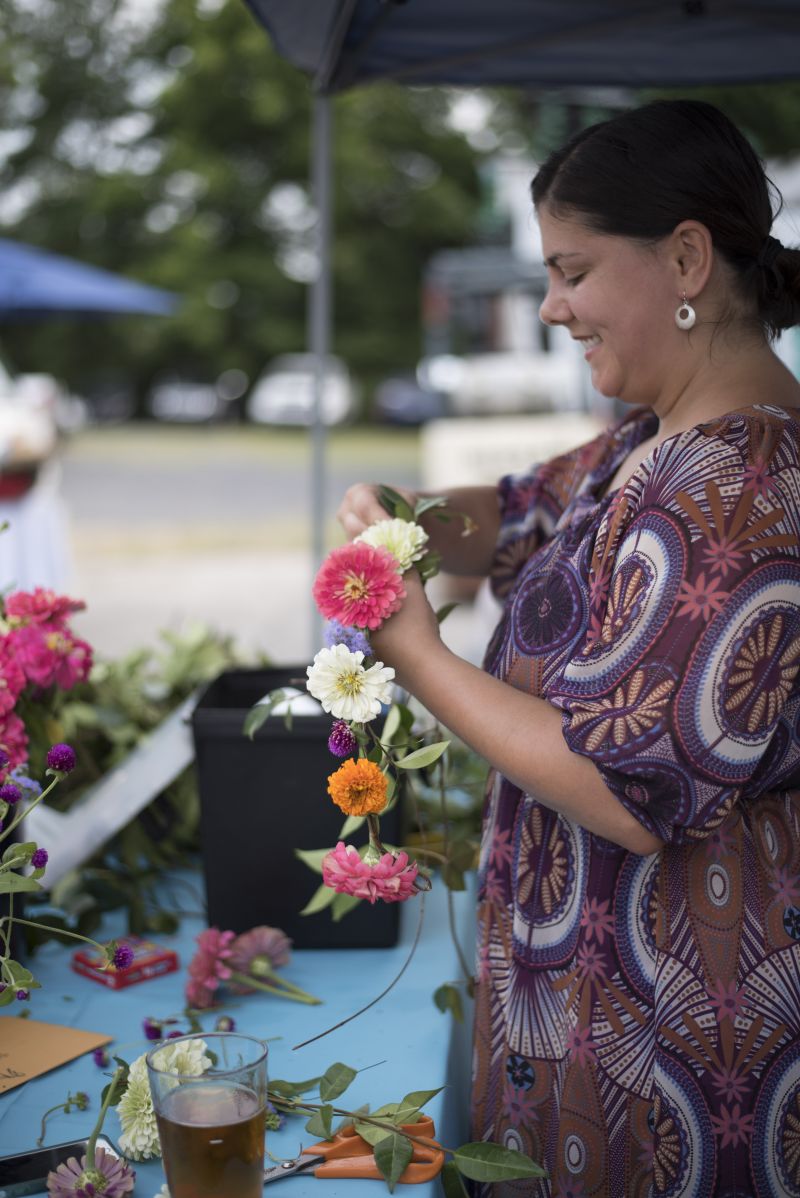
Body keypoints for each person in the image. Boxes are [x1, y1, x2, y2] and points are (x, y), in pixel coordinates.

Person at [337, 99, 800, 1196]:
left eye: (571, 271)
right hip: (598, 1006)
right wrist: (402, 516)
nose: (549, 307)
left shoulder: (737, 487)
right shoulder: (654, 438)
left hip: (677, 1027)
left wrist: (415, 652)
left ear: (684, 258)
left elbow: (626, 788)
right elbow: (517, 511)